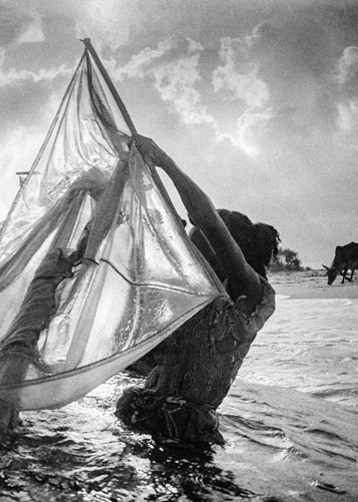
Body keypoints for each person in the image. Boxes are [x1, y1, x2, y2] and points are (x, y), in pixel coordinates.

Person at [115, 134, 281, 446]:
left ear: (224, 254)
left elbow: (210, 224)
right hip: (146, 416)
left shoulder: (248, 298)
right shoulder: (189, 299)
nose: (188, 256)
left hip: (188, 434)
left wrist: (165, 162)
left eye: (195, 248)